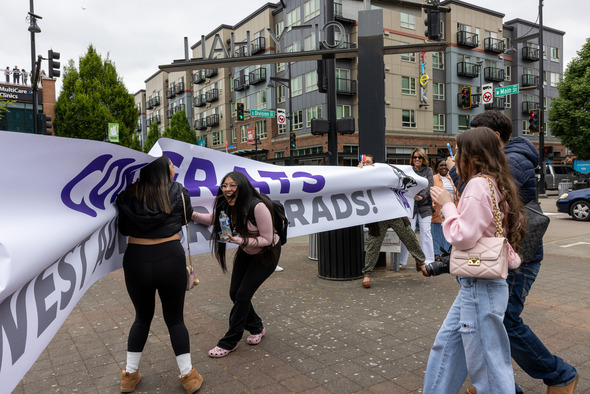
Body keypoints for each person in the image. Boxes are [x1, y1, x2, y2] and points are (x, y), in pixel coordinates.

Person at [452, 111, 580, 394]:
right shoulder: (509, 159)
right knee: (491, 321)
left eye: (472, 142)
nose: (465, 150)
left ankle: (560, 375)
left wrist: (454, 169)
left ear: (492, 138)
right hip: (506, 253)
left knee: (504, 320)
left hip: (514, 256)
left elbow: (481, 195)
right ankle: (496, 384)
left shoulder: (512, 161)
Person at [423, 127, 525, 393]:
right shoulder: (493, 181)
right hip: (478, 284)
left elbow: (463, 235)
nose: (453, 156)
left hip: (480, 286)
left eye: (458, 150)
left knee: (488, 367)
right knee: (447, 348)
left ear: (472, 154)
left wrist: (446, 204)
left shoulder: (479, 184)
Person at [116, 155, 203, 394]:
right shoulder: (179, 192)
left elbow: (123, 227)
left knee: (141, 317)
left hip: (136, 259)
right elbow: (185, 219)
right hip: (170, 256)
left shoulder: (128, 194)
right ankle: (188, 377)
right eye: (171, 165)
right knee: (175, 319)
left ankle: (129, 375)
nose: (174, 169)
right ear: (162, 171)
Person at [192, 171, 281, 358]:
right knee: (235, 294)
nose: (227, 189)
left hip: (266, 253)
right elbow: (212, 219)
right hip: (246, 249)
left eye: (232, 186)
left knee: (242, 295)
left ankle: (229, 341)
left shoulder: (258, 207)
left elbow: (267, 239)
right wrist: (191, 214)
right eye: (224, 186)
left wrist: (241, 241)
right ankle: (257, 327)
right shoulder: (225, 205)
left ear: (242, 187)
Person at [359, 155, 428, 288]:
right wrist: (358, 171)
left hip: (395, 212)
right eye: (364, 162)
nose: (366, 164)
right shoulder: (362, 175)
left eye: (368, 162)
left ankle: (421, 262)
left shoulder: (385, 172)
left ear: (374, 164)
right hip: (378, 216)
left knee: (409, 236)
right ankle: (367, 274)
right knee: (374, 244)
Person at [399, 148, 434, 269]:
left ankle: (428, 261)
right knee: (408, 233)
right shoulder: (408, 170)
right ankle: (402, 261)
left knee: (426, 232)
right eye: (415, 157)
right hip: (410, 205)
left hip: (425, 206)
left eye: (419, 157)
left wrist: (421, 196)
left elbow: (429, 186)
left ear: (424, 158)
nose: (417, 159)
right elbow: (404, 186)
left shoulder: (428, 170)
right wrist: (411, 195)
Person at [431, 159, 459, 260]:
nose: (443, 167)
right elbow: (431, 192)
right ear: (437, 167)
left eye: (445, 165)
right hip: (438, 209)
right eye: (441, 165)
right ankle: (437, 254)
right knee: (437, 233)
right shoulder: (434, 178)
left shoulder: (452, 178)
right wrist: (433, 205)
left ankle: (448, 254)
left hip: (451, 208)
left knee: (449, 232)